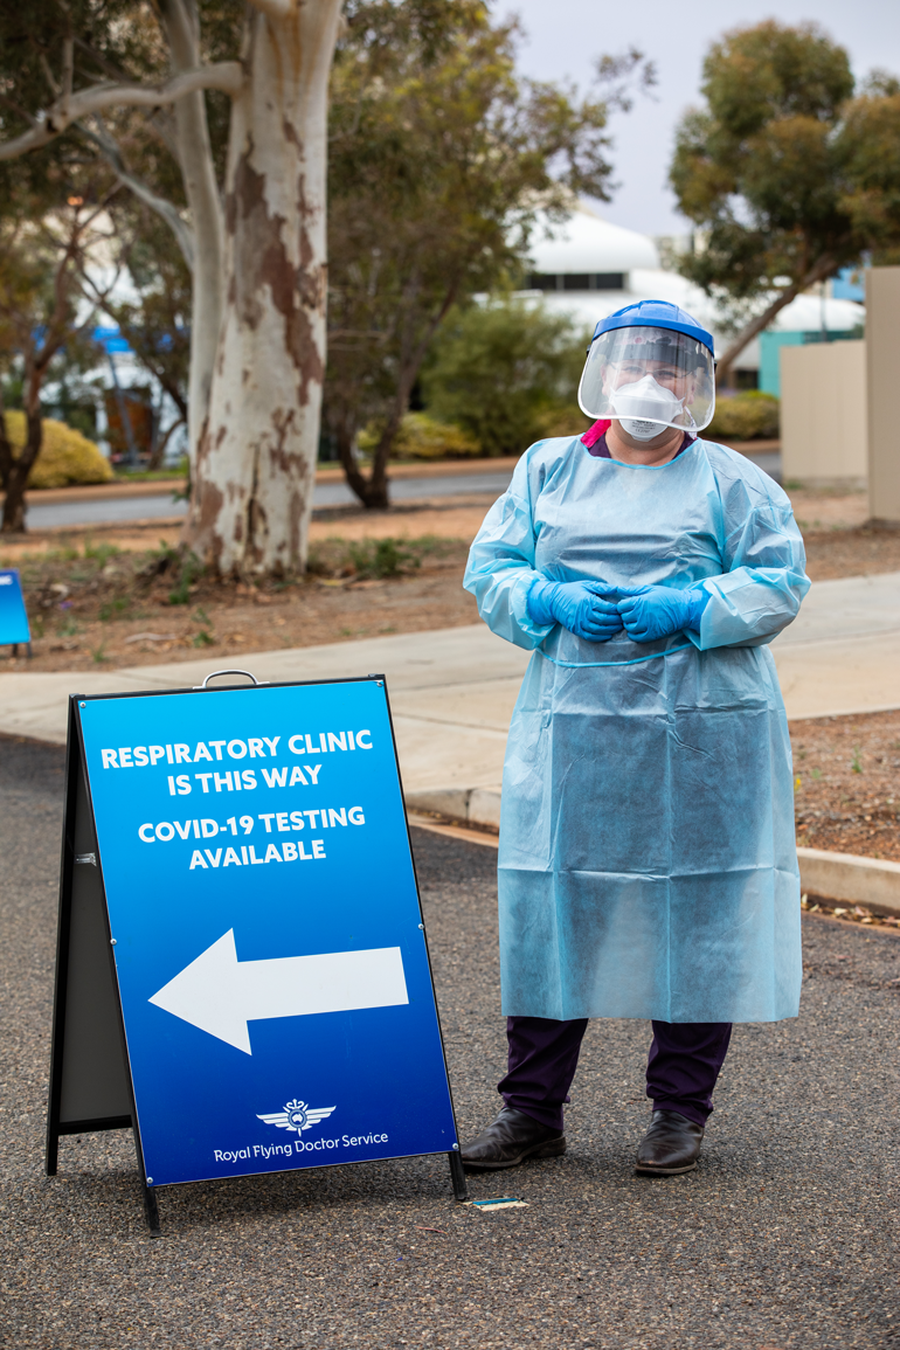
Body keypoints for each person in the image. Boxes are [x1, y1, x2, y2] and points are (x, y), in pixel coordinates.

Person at [461, 299, 809, 1175]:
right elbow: (492, 569)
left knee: (695, 913)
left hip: (701, 737)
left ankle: (678, 1113)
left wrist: (695, 605)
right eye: (633, 366)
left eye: (673, 370)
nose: (650, 384)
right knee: (556, 912)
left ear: (698, 387)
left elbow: (780, 580)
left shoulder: (732, 481)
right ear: (602, 377)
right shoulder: (546, 472)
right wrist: (546, 599)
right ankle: (532, 1112)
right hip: (573, 737)